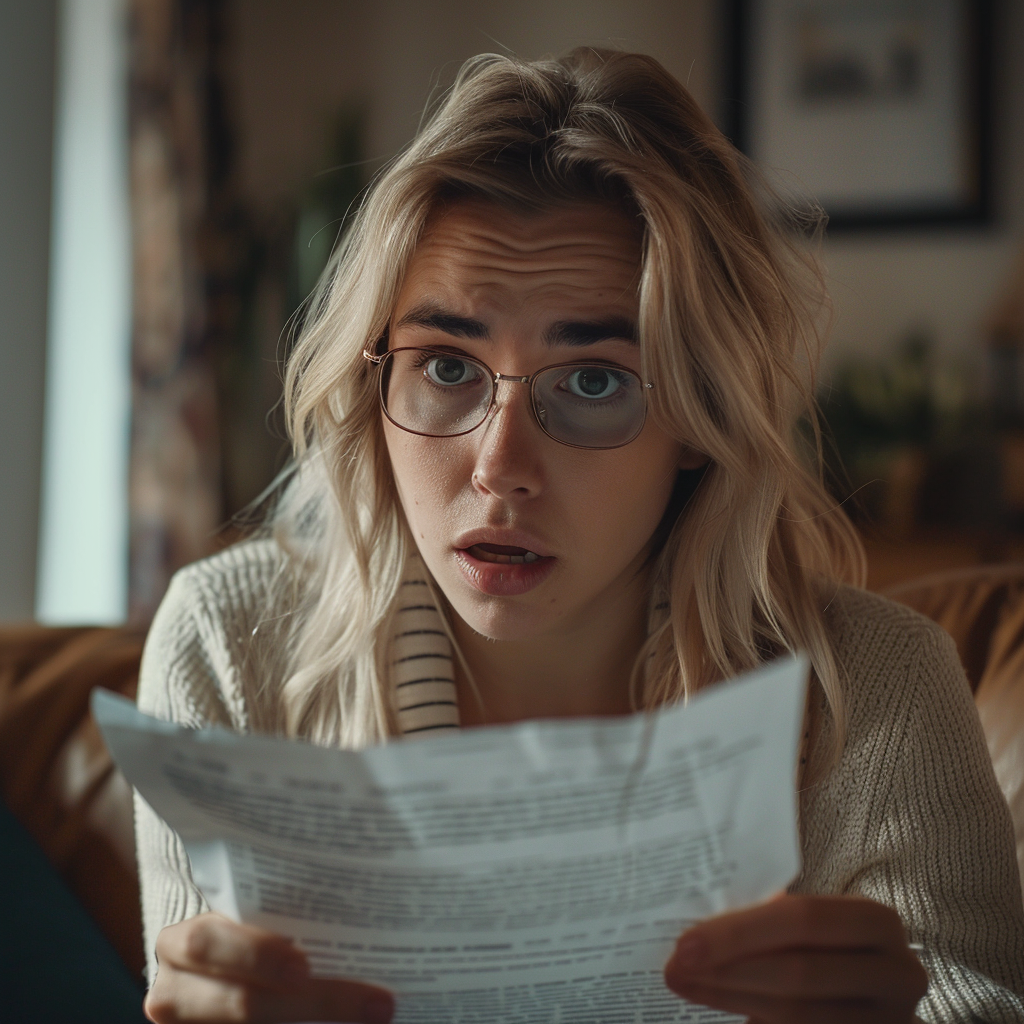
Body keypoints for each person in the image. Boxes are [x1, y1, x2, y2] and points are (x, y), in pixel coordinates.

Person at [134, 48, 1024, 1024]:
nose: (499, 464)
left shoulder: (881, 688)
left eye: (594, 379)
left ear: (698, 418)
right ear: (370, 384)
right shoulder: (229, 641)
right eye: (444, 365)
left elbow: (963, 998)